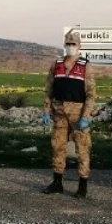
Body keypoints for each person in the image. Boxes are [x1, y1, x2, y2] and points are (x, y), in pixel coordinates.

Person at [40, 31, 96, 197]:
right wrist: (46, 110)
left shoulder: (85, 66)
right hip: (59, 113)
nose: (71, 47)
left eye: (74, 44)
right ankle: (57, 183)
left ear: (80, 46)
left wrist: (86, 117)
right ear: (64, 45)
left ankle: (82, 186)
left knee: (82, 149)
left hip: (78, 114)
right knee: (58, 147)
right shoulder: (56, 64)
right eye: (68, 44)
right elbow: (48, 90)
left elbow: (91, 94)